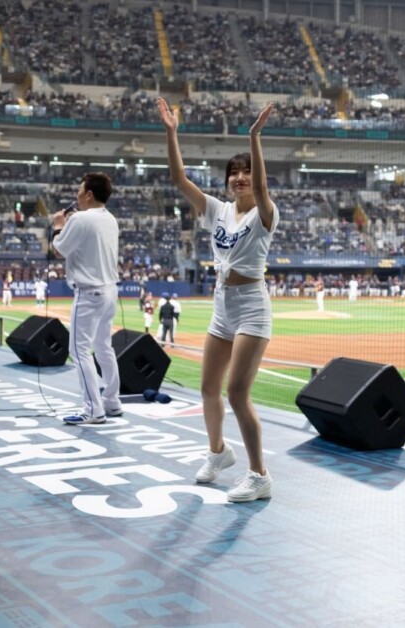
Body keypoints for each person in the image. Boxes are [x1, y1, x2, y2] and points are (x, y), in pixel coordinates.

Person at [158, 96, 276, 503]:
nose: (241, 178)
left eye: (245, 172)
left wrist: (254, 136)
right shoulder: (217, 211)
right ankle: (217, 453)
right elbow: (179, 179)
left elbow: (261, 187)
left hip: (252, 308)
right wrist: (172, 133)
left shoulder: (265, 213)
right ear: (226, 180)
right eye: (234, 173)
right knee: (208, 387)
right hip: (222, 307)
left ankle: (259, 475)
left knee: (237, 394)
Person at [51, 172, 122, 425]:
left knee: (79, 350)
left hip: (89, 292)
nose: (77, 195)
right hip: (110, 290)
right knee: (103, 346)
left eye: (80, 190)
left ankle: (93, 409)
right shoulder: (110, 219)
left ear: (89, 194)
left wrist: (59, 225)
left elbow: (58, 250)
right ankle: (112, 401)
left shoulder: (79, 219)